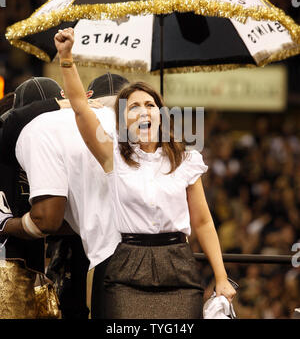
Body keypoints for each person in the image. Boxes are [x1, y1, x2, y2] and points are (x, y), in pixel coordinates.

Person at [55, 27, 236, 319]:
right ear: (123, 120)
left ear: (161, 115)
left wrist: (222, 277)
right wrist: (66, 57)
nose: (143, 111)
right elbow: (79, 108)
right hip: (127, 265)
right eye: (133, 107)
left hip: (179, 265)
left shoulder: (186, 160)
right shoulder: (111, 154)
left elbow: (202, 222)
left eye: (150, 105)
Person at [2, 72, 129, 318]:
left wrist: (8, 225)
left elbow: (50, 221)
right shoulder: (17, 140)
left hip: (80, 260)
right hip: (13, 264)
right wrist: (62, 104)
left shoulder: (59, 138)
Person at [0, 77, 67, 319]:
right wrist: (63, 104)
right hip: (6, 265)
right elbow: (15, 120)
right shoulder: (6, 137)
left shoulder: (54, 152)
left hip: (35, 268)